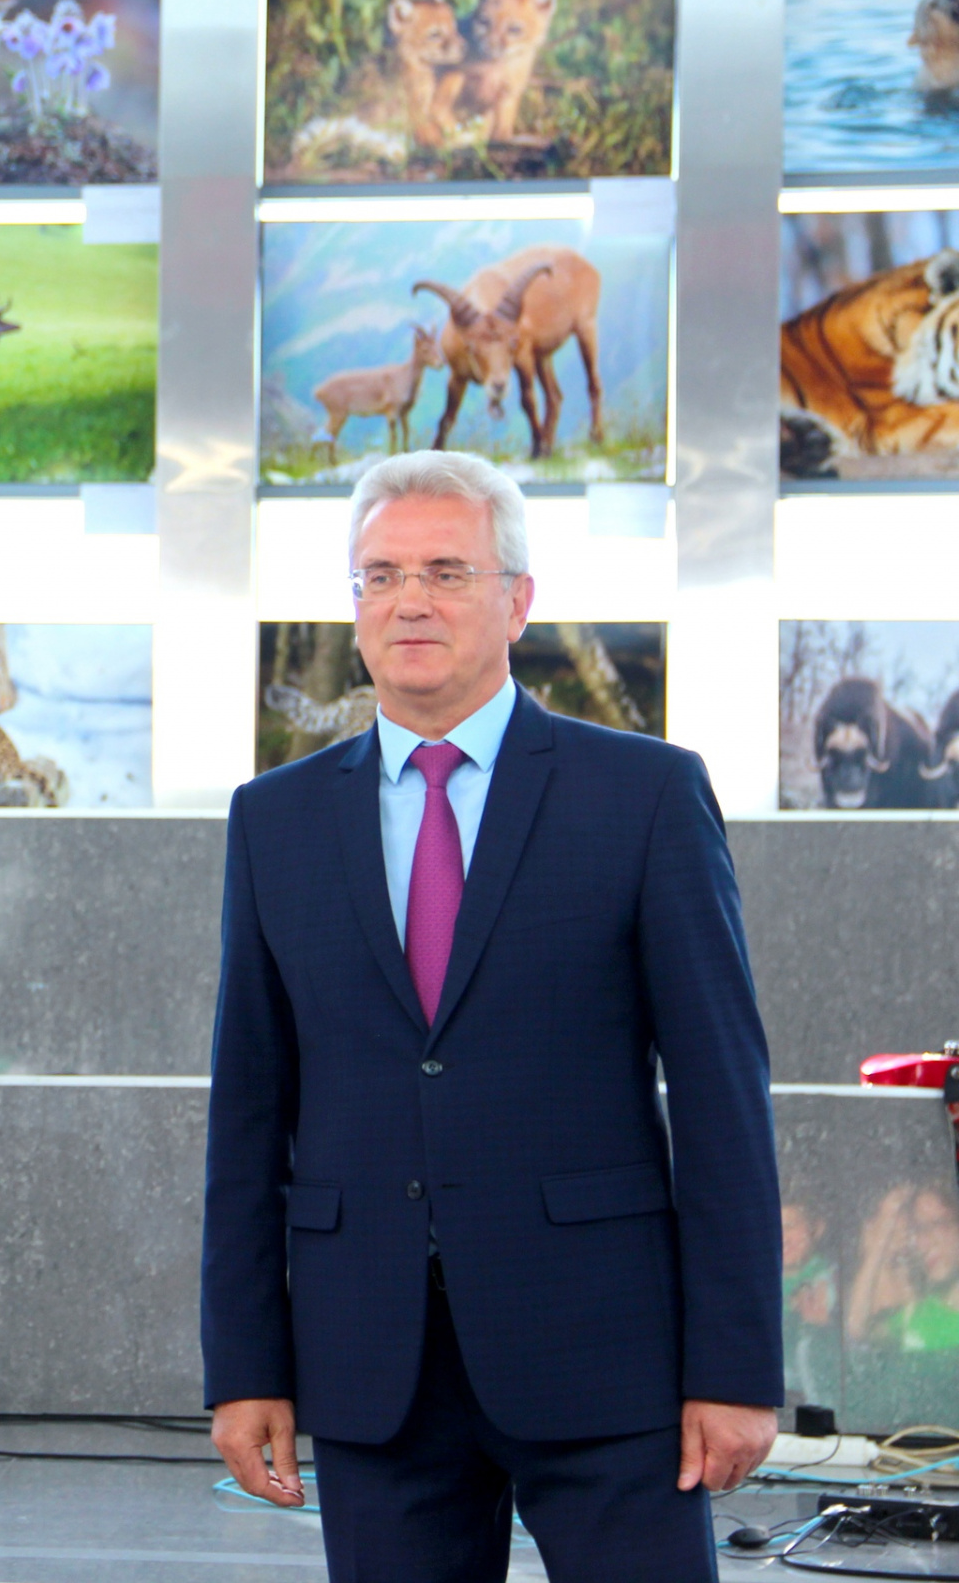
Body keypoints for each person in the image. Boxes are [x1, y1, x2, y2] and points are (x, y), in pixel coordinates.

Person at [200, 450, 782, 1580]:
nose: (409, 600)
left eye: (446, 571)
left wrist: (736, 1368)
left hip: (607, 1356)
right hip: (374, 1365)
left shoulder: (645, 795)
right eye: (380, 576)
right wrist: (245, 1365)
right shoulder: (274, 820)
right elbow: (248, 1115)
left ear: (518, 601)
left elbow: (723, 1099)